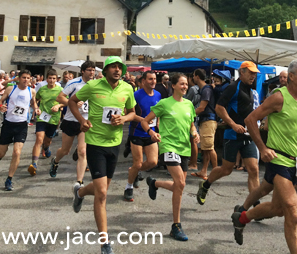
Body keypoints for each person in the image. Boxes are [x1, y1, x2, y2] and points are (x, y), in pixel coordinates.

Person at [230, 59, 297, 254]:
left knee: (276, 209)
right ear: (291, 77)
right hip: (279, 159)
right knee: (293, 213)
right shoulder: (279, 97)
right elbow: (251, 120)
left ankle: (242, 217)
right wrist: (263, 148)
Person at [68, 56, 135, 254]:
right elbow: (73, 102)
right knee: (103, 193)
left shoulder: (127, 88)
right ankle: (105, 243)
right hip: (95, 143)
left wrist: (123, 118)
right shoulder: (93, 86)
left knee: (102, 188)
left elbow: (132, 112)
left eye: (119, 67)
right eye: (113, 67)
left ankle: (79, 193)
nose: (117, 70)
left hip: (114, 145)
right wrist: (81, 120)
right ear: (105, 70)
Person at [142, 73, 199, 242]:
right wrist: (152, 133)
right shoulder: (164, 104)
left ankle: (155, 183)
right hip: (168, 146)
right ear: (173, 85)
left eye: (186, 84)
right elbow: (145, 121)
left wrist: (195, 134)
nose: (185, 87)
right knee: (180, 183)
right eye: (182, 84)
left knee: (179, 186)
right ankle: (176, 225)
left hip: (184, 149)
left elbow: (191, 124)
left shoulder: (189, 104)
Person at [196, 62, 260, 205]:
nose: (253, 76)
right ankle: (205, 185)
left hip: (247, 135)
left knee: (254, 169)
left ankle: (255, 204)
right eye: (250, 73)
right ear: (241, 72)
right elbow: (219, 108)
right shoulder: (232, 87)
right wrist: (233, 124)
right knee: (226, 169)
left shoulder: (250, 88)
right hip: (232, 135)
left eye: (255, 73)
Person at [49, 61, 96, 185]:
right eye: (89, 70)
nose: (92, 73)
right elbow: (60, 98)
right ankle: (55, 161)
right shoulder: (73, 83)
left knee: (82, 151)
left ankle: (79, 182)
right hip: (71, 120)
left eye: (93, 70)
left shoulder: (96, 84)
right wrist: (72, 102)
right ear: (83, 71)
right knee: (65, 150)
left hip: (85, 121)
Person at [0, 70, 40, 191]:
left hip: (21, 126)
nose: (26, 80)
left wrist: (36, 109)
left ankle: (9, 179)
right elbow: (0, 101)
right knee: (1, 153)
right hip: (8, 125)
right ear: (19, 78)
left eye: (28, 78)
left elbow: (33, 103)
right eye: (24, 78)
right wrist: (1, 106)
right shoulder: (11, 89)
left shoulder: (32, 91)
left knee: (17, 152)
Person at [124, 71, 160, 202]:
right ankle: (128, 187)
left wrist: (157, 128)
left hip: (151, 132)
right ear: (143, 81)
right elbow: (128, 112)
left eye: (155, 79)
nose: (153, 81)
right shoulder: (136, 95)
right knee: (138, 162)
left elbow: (158, 113)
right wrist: (143, 120)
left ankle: (134, 171)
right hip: (137, 132)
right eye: (150, 79)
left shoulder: (158, 94)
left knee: (153, 162)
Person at [28, 69, 63, 176]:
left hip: (54, 118)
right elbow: (34, 99)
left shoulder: (60, 89)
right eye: (50, 78)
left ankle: (46, 148)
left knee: (47, 141)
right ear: (46, 79)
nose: (51, 80)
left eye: (53, 78)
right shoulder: (42, 89)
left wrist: (58, 105)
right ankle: (34, 164)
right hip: (42, 117)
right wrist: (36, 108)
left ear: (56, 79)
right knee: (39, 139)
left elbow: (66, 102)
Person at [191, 69, 218, 180]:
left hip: (208, 120)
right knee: (206, 148)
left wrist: (189, 115)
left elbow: (202, 107)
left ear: (197, 77)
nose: (192, 78)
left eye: (193, 75)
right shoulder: (205, 89)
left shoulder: (206, 90)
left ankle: (216, 172)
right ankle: (204, 171)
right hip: (206, 120)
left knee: (210, 148)